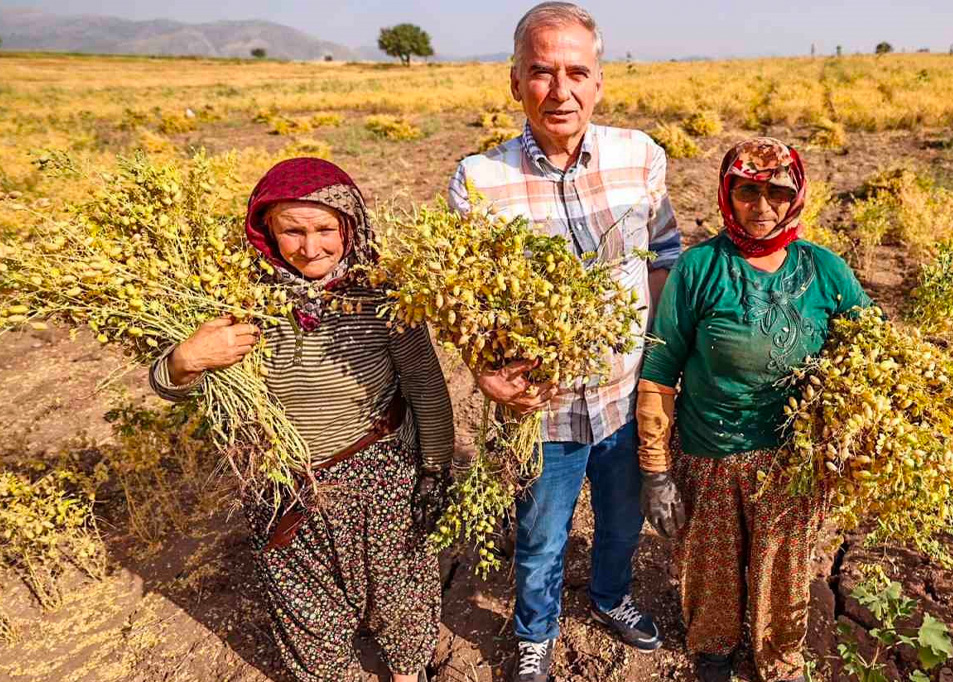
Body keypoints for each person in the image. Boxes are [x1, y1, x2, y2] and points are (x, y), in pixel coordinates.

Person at [149, 158, 454, 682]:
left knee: (402, 585)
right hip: (282, 483)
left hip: (380, 474)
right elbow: (167, 384)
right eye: (293, 230)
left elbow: (425, 385)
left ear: (349, 226)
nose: (310, 248)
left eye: (324, 229)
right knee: (304, 604)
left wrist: (435, 468)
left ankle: (408, 671)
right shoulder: (234, 300)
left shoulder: (383, 292)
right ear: (266, 230)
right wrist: (186, 359)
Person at [447, 3, 681, 681]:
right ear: (514, 80)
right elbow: (467, 298)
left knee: (619, 519)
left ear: (599, 81)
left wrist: (663, 363)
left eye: (577, 71)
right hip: (540, 406)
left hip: (627, 391)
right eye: (542, 72)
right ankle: (534, 632)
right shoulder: (479, 179)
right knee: (542, 533)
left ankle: (611, 597)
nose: (561, 89)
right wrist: (483, 372)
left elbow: (663, 255)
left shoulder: (640, 156)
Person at [636, 138, 873, 682]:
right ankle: (714, 653)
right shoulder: (699, 268)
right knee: (710, 570)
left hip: (791, 464)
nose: (762, 206)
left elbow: (872, 348)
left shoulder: (825, 271)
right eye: (747, 191)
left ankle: (777, 660)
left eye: (776, 192)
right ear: (728, 193)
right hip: (708, 453)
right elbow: (659, 369)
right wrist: (656, 471)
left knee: (784, 573)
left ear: (797, 196)